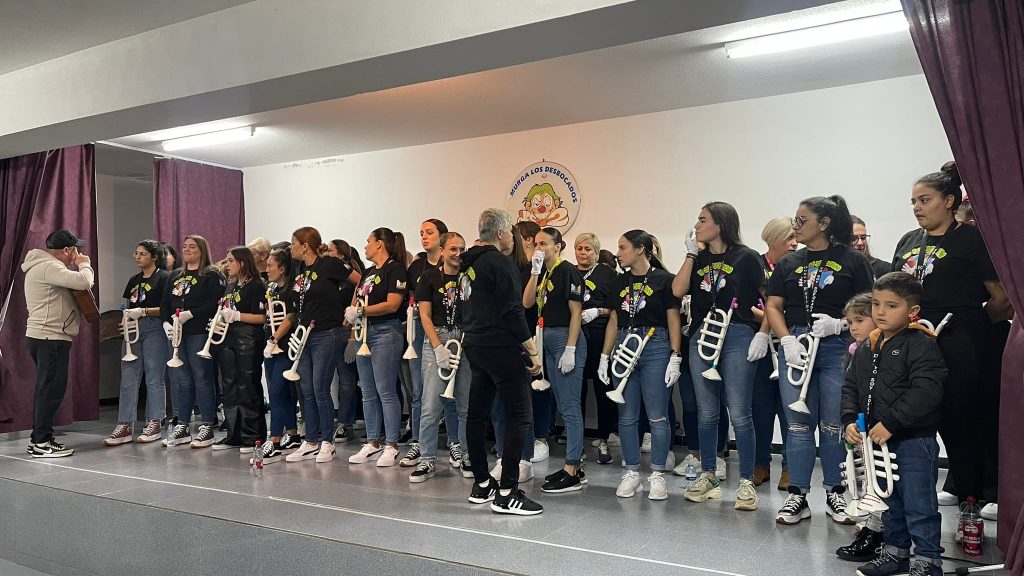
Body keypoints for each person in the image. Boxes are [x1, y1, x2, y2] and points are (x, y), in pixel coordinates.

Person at [892, 162, 1011, 517]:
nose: (917, 207)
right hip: (914, 341)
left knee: (963, 419)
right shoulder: (909, 241)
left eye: (924, 200)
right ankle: (913, 501)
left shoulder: (972, 239)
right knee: (916, 417)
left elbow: (1001, 297)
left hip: (961, 341)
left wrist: (973, 325)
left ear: (948, 201)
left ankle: (971, 498)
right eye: (913, 201)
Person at [765, 196, 874, 525]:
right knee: (798, 425)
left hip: (837, 345)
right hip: (797, 344)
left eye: (802, 220)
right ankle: (797, 494)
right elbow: (773, 306)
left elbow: (868, 308)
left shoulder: (853, 261)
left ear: (824, 223)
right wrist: (785, 339)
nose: (795, 226)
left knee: (833, 424)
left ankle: (835, 492)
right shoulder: (788, 262)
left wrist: (841, 324)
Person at [841, 272, 947, 576]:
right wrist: (849, 419)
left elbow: (927, 390)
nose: (880, 312)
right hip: (877, 442)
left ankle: (927, 561)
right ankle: (895, 553)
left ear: (913, 311)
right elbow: (851, 387)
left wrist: (892, 421)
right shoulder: (867, 346)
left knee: (919, 505)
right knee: (889, 502)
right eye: (876, 304)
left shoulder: (921, 345)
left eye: (891, 306)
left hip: (913, 441)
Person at [672, 202, 762, 511]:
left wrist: (762, 333)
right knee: (706, 411)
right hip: (702, 335)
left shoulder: (747, 257)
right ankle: (708, 474)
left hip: (737, 333)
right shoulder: (698, 258)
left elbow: (767, 299)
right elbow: (678, 290)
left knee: (739, 411)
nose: (696, 225)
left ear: (720, 225)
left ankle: (746, 481)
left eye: (703, 220)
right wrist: (690, 255)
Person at [462, 208, 544, 515]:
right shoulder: (500, 263)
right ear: (499, 233)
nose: (512, 236)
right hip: (499, 346)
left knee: (476, 414)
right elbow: (513, 311)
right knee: (519, 414)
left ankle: (482, 484)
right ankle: (508, 492)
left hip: (475, 344)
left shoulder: (468, 264)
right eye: (510, 231)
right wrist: (532, 352)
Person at [599, 229, 682, 501]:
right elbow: (614, 320)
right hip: (624, 342)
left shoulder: (664, 279)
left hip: (655, 344)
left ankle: (657, 474)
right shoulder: (618, 281)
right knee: (627, 415)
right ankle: (632, 472)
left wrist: (675, 355)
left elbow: (673, 319)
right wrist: (604, 355)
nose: (618, 253)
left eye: (622, 247)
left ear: (639, 250)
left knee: (658, 415)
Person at [523, 227, 587, 493]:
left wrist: (570, 348)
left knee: (570, 406)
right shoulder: (544, 273)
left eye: (544, 244)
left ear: (558, 246)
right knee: (561, 403)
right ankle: (573, 465)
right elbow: (527, 302)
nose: (539, 249)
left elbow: (576, 312)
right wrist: (534, 272)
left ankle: (573, 468)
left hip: (564, 338)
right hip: (546, 337)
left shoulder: (567, 270)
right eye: (536, 244)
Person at [21, 229, 95, 457]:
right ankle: (41, 443)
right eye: (75, 250)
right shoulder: (49, 266)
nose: (77, 253)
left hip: (44, 336)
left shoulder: (44, 266)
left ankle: (39, 438)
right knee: (50, 391)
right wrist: (84, 264)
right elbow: (84, 281)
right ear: (66, 250)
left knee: (46, 389)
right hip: (49, 337)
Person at [284, 227, 352, 464]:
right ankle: (311, 440)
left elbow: (358, 281)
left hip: (326, 332)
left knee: (320, 388)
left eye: (294, 243)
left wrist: (350, 310)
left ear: (305, 246)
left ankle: (327, 442)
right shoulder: (300, 270)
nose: (291, 248)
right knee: (306, 390)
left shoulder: (329, 265)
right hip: (304, 335)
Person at [410, 231, 471, 482]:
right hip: (437, 337)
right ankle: (426, 459)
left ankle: (467, 455)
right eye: (453, 249)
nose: (458, 254)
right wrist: (437, 347)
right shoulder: (428, 277)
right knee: (430, 405)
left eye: (462, 249)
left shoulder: (469, 277)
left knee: (465, 405)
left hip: (465, 339)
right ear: (443, 251)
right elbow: (424, 315)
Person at [346, 228, 408, 466]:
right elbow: (357, 297)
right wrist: (353, 313)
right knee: (368, 391)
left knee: (386, 390)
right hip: (364, 333)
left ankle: (391, 444)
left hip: (385, 332)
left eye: (368, 241)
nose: (365, 246)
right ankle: (372, 441)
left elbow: (393, 304)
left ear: (380, 244)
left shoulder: (395, 268)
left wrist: (360, 311)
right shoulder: (368, 272)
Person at [161, 235, 226, 449]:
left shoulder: (211, 274)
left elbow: (216, 303)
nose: (187, 249)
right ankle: (183, 424)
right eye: (185, 246)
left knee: (202, 378)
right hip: (177, 333)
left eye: (192, 246)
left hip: (199, 332)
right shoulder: (175, 275)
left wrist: (192, 313)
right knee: (183, 380)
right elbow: (165, 302)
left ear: (202, 250)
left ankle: (207, 424)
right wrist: (166, 322)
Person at [835, 291, 886, 563]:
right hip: (861, 427)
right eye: (850, 322)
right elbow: (850, 389)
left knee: (878, 479)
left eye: (860, 320)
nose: (854, 327)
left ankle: (877, 531)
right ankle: (871, 523)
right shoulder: (855, 351)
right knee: (865, 478)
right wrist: (849, 420)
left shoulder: (882, 350)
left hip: (881, 429)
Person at [104, 240, 171, 446]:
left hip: (154, 327)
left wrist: (143, 311)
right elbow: (128, 304)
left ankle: (155, 421)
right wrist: (127, 318)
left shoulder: (164, 277)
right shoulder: (134, 279)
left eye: (142, 254)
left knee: (154, 376)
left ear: (154, 257)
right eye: (136, 253)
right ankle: (124, 424)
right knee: (128, 378)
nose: (137, 257)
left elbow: (167, 308)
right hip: (133, 328)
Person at [750, 217, 795, 490]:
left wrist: (776, 317)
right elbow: (747, 305)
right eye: (789, 237)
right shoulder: (755, 265)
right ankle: (760, 464)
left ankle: (789, 467)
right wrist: (773, 316)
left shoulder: (797, 266)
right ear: (775, 239)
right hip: (761, 347)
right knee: (760, 409)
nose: (794, 243)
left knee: (789, 410)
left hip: (788, 345)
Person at [400, 219, 449, 466]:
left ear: (442, 236)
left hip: (447, 328)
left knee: (449, 389)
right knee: (419, 389)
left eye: (430, 232)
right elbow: (412, 297)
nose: (424, 237)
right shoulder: (416, 267)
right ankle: (418, 442)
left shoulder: (450, 262)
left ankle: (455, 444)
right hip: (420, 328)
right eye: (421, 233)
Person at [211, 247, 267, 452]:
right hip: (228, 339)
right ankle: (233, 434)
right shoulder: (231, 285)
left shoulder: (256, 285)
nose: (227, 265)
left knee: (248, 385)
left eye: (230, 261)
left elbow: (263, 317)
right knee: (230, 385)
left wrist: (237, 316)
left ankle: (253, 435)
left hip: (248, 338)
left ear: (242, 262)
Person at [251, 249, 303, 465]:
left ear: (282, 269)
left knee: (276, 392)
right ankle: (292, 432)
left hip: (283, 345)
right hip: (270, 346)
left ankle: (274, 440)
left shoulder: (290, 290)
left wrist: (274, 339)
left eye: (270, 266)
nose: (267, 269)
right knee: (281, 392)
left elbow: (290, 318)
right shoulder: (271, 288)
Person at [573, 233, 618, 465]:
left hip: (600, 336)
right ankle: (576, 442)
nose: (583, 253)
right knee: (576, 391)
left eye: (588, 249)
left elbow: (617, 309)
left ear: (597, 253)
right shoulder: (568, 272)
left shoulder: (607, 274)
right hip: (574, 337)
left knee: (603, 390)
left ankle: (603, 440)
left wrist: (597, 312)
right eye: (579, 248)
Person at [325, 239, 363, 441]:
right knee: (330, 380)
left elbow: (361, 285)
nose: (327, 253)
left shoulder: (350, 276)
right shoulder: (327, 274)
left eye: (330, 250)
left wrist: (351, 336)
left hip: (346, 330)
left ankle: (345, 422)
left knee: (347, 380)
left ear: (340, 254)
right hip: (329, 330)